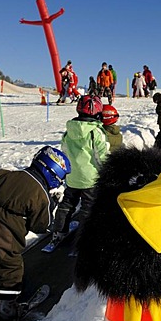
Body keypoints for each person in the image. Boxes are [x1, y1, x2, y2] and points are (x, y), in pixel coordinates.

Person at [0, 146, 71, 321]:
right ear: (53, 174)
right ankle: (6, 309)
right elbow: (42, 226)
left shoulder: (3, 174)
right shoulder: (40, 194)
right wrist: (53, 204)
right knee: (9, 269)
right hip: (2, 235)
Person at [50, 95, 110, 243]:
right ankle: (85, 236)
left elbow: (64, 152)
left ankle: (58, 231)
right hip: (91, 178)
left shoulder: (68, 131)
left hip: (72, 176)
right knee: (88, 207)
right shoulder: (95, 132)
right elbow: (102, 156)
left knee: (67, 204)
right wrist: (107, 172)